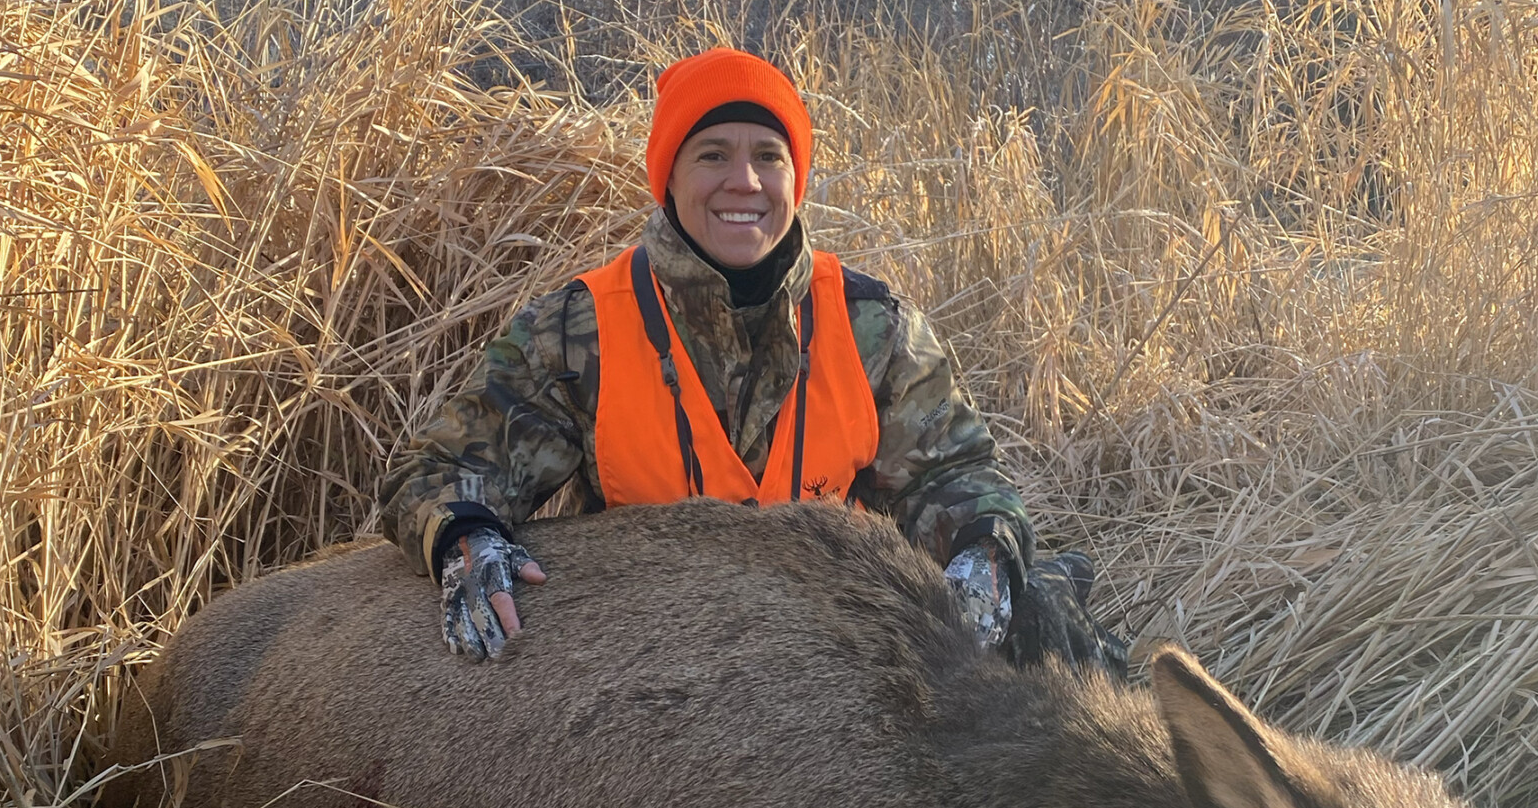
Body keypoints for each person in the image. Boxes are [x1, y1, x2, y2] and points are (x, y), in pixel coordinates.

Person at [379, 47, 1126, 677]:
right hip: (653, 660)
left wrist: (985, 556)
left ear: (795, 178)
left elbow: (953, 478)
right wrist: (466, 537)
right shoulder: (578, 332)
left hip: (841, 658)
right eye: (713, 155)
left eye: (769, 156)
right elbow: (437, 475)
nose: (745, 182)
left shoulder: (875, 326)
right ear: (668, 176)